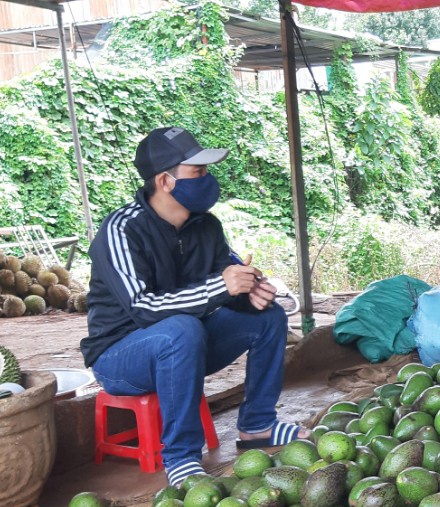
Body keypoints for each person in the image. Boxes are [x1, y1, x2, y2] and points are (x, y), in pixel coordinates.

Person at [81, 127, 307, 488]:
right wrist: (221, 285)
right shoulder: (121, 230)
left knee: (269, 317)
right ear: (165, 181)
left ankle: (257, 426)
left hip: (186, 346)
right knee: (180, 329)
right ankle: (182, 457)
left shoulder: (207, 227)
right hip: (120, 357)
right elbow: (144, 307)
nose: (208, 179)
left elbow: (223, 283)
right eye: (198, 172)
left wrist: (250, 292)